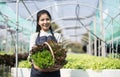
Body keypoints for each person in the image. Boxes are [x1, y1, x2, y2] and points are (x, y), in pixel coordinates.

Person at [29, 9, 62, 77]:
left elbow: (60, 54)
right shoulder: (34, 36)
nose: (45, 22)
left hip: (54, 72)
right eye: (42, 20)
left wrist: (56, 66)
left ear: (50, 21)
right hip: (37, 72)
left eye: (47, 19)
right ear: (38, 22)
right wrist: (39, 67)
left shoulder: (57, 36)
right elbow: (31, 55)